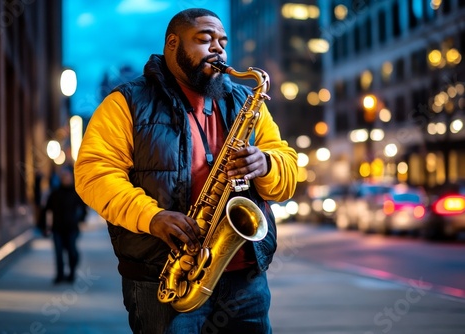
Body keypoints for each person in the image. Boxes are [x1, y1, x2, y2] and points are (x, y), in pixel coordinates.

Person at [74, 8, 298, 333]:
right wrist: (150, 216)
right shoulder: (125, 103)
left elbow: (288, 172)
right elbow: (94, 174)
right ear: (172, 44)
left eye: (222, 41)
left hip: (245, 280)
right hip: (164, 278)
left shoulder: (246, 102)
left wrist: (266, 163)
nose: (218, 49)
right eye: (205, 40)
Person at [44, 166, 87, 284]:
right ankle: (60, 275)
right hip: (57, 228)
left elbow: (84, 208)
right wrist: (46, 227)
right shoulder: (55, 194)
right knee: (58, 253)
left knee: (71, 251)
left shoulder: (75, 193)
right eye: (63, 177)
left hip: (71, 228)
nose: (66, 179)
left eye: (67, 177)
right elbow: (47, 210)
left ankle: (72, 273)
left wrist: (80, 219)